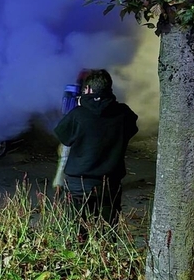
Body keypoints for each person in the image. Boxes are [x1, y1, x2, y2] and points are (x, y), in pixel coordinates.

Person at [53, 69, 139, 226]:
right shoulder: (124, 114)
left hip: (78, 185)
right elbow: (130, 130)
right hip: (109, 185)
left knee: (76, 233)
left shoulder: (78, 115)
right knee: (107, 232)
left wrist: (81, 106)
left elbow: (64, 137)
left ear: (87, 90)